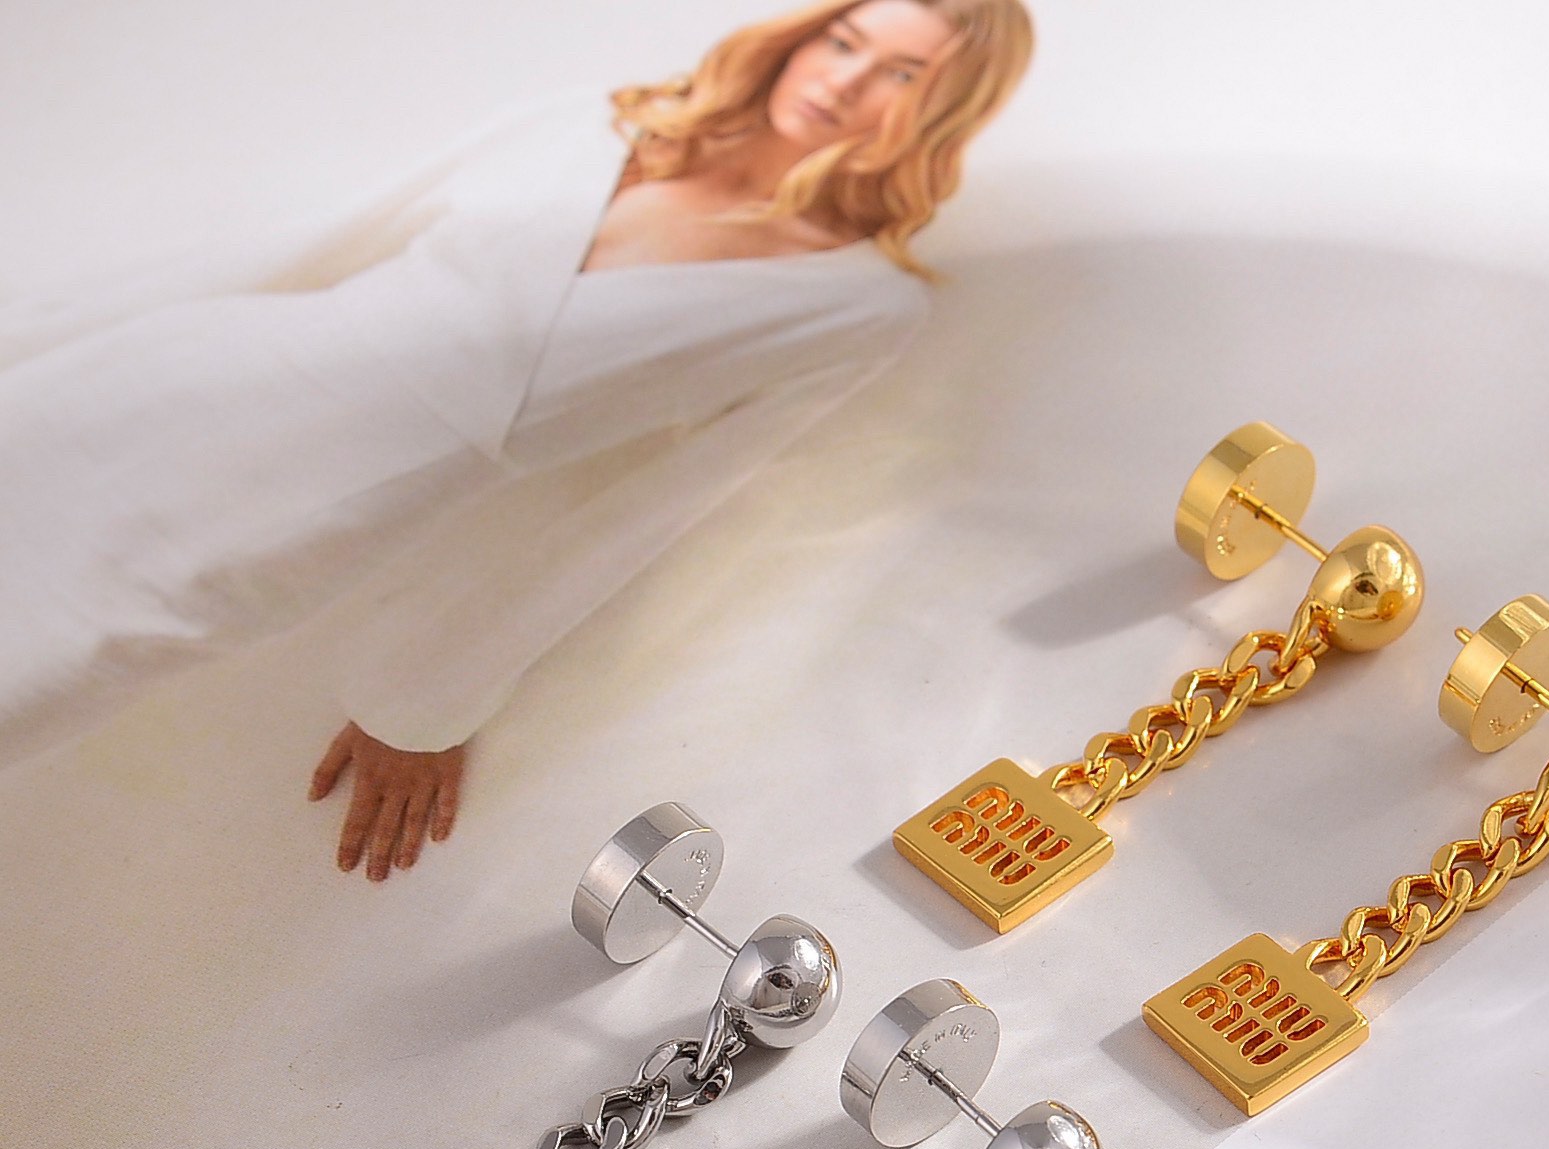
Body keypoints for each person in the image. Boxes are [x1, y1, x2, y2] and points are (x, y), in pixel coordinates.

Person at [0, 0, 1033, 879]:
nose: (846, 83)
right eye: (844, 41)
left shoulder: (855, 306)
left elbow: (644, 514)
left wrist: (425, 700)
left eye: (903, 74)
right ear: (801, 37)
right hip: (158, 382)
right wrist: (42, 336)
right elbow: (329, 243)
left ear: (946, 110)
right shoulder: (605, 123)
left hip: (297, 518)